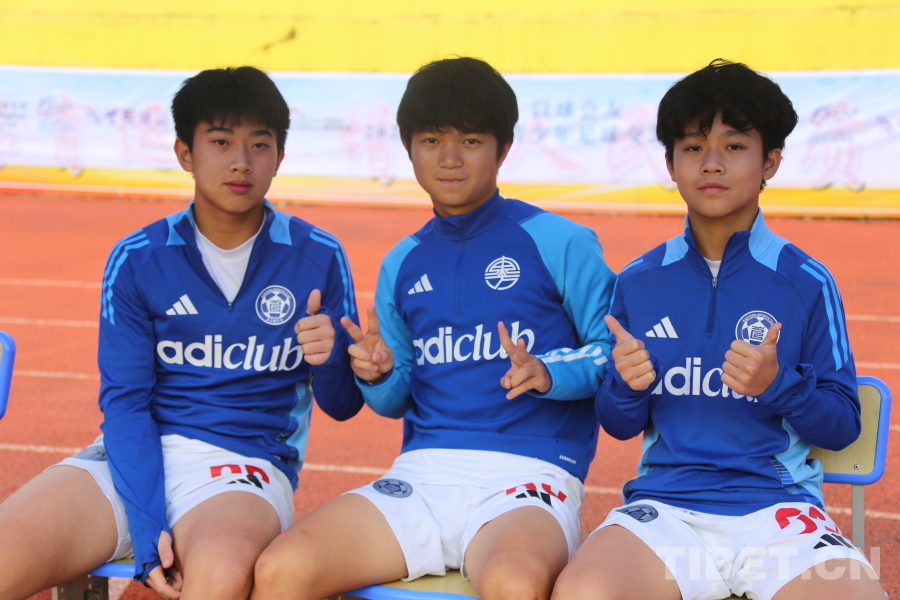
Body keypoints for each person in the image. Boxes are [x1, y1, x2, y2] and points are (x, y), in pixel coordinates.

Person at [251, 56, 617, 600]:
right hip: (421, 475)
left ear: (503, 148)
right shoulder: (402, 261)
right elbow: (394, 400)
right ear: (409, 148)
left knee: (514, 584)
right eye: (430, 140)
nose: (449, 158)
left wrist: (548, 372)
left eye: (470, 141)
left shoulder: (561, 242)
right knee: (283, 569)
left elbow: (613, 353)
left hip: (531, 476)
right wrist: (378, 374)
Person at [0, 66, 363, 600]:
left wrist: (331, 357)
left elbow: (344, 405)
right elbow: (125, 404)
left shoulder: (319, 255)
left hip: (245, 464)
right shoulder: (137, 257)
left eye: (259, 144)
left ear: (280, 157)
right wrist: (147, 524)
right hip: (131, 455)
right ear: (185, 153)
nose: (241, 162)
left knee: (218, 579)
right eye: (221, 142)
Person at [552, 59, 884, 600]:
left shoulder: (806, 281)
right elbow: (617, 423)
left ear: (770, 161)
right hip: (665, 511)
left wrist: (778, 385)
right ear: (670, 163)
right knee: (581, 593)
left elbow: (843, 425)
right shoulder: (639, 279)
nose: (711, 163)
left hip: (778, 512)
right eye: (692, 147)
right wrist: (626, 386)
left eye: (734, 146)